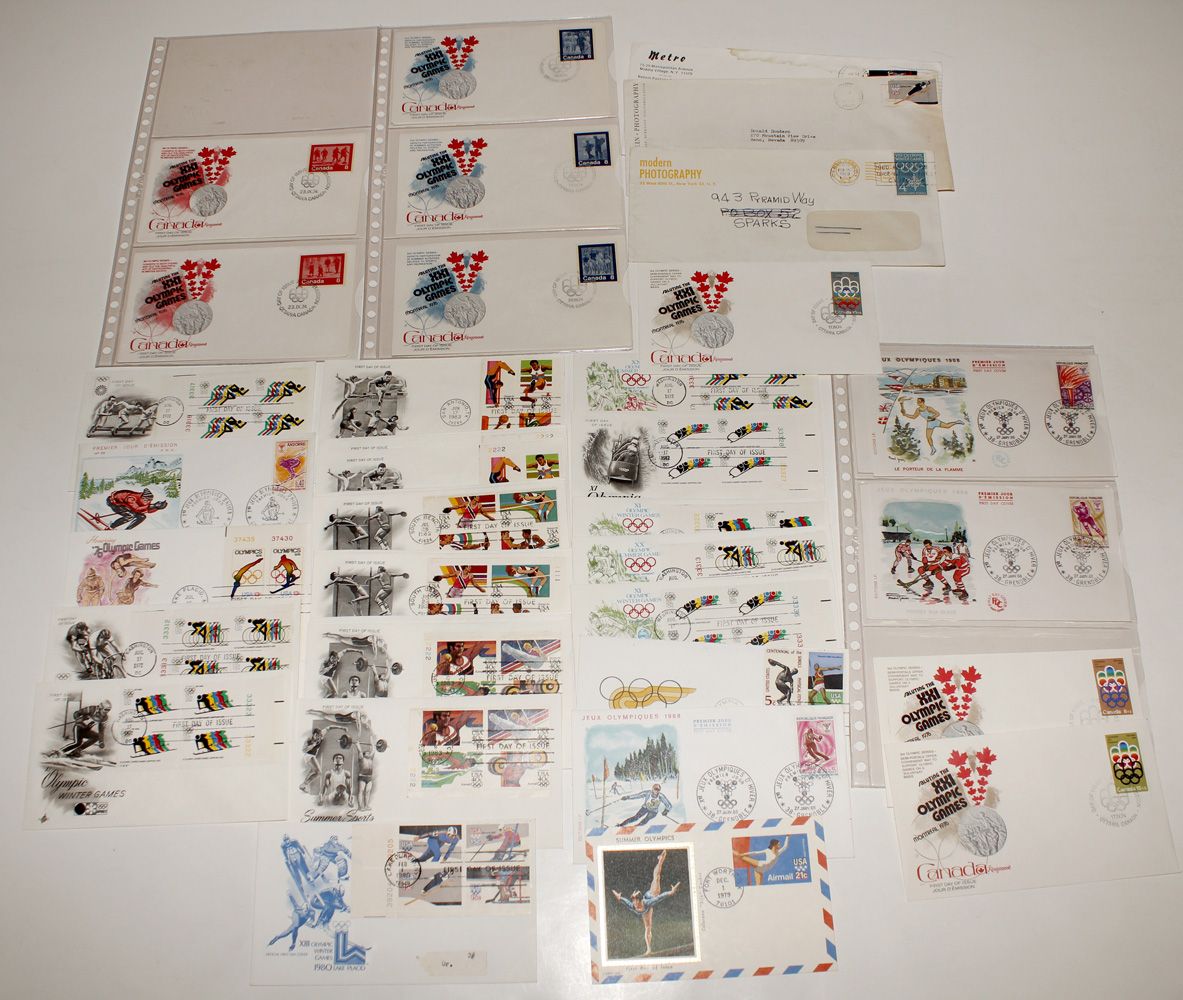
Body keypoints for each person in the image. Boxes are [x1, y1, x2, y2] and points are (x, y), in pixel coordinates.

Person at [610, 850, 682, 957]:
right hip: (645, 911)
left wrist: (670, 893)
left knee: (656, 877)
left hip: (652, 894)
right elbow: (624, 901)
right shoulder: (632, 905)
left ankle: (660, 861)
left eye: (635, 901)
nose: (634, 904)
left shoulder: (647, 902)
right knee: (648, 928)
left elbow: (660, 897)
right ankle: (648, 949)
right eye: (633, 901)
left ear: (640, 900)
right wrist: (619, 897)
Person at [898, 396, 963, 456]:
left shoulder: (928, 408)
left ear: (923, 402)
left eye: (919, 402)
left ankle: (957, 422)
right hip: (929, 424)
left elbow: (938, 413)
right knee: (928, 437)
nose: (918, 403)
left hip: (935, 421)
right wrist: (905, 414)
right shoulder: (918, 410)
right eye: (917, 402)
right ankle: (933, 449)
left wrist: (932, 417)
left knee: (947, 426)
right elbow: (913, 417)